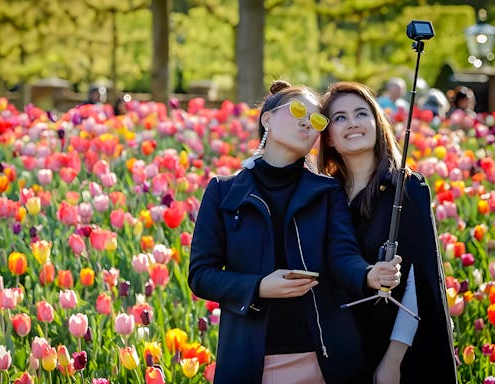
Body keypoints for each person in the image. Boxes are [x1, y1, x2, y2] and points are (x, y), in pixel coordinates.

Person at [189, 80, 402, 383]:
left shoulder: (327, 191)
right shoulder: (223, 192)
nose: (307, 121)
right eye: (298, 110)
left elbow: (342, 254)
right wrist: (260, 286)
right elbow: (201, 275)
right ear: (267, 119)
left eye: (317, 120)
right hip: (248, 359)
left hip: (323, 357)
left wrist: (368, 274)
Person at [318, 81, 457, 384]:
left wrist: (394, 358)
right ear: (328, 137)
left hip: (399, 350)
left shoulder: (405, 188)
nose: (352, 123)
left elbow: (418, 281)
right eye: (339, 117)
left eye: (361, 113)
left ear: (377, 123)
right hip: (343, 347)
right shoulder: (327, 195)